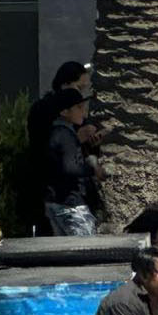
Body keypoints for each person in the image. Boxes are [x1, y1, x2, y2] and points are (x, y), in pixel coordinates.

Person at [42, 88, 98, 237]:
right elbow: (70, 167)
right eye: (78, 108)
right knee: (87, 249)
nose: (83, 112)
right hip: (70, 204)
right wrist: (94, 169)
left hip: (54, 202)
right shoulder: (65, 135)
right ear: (64, 112)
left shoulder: (55, 132)